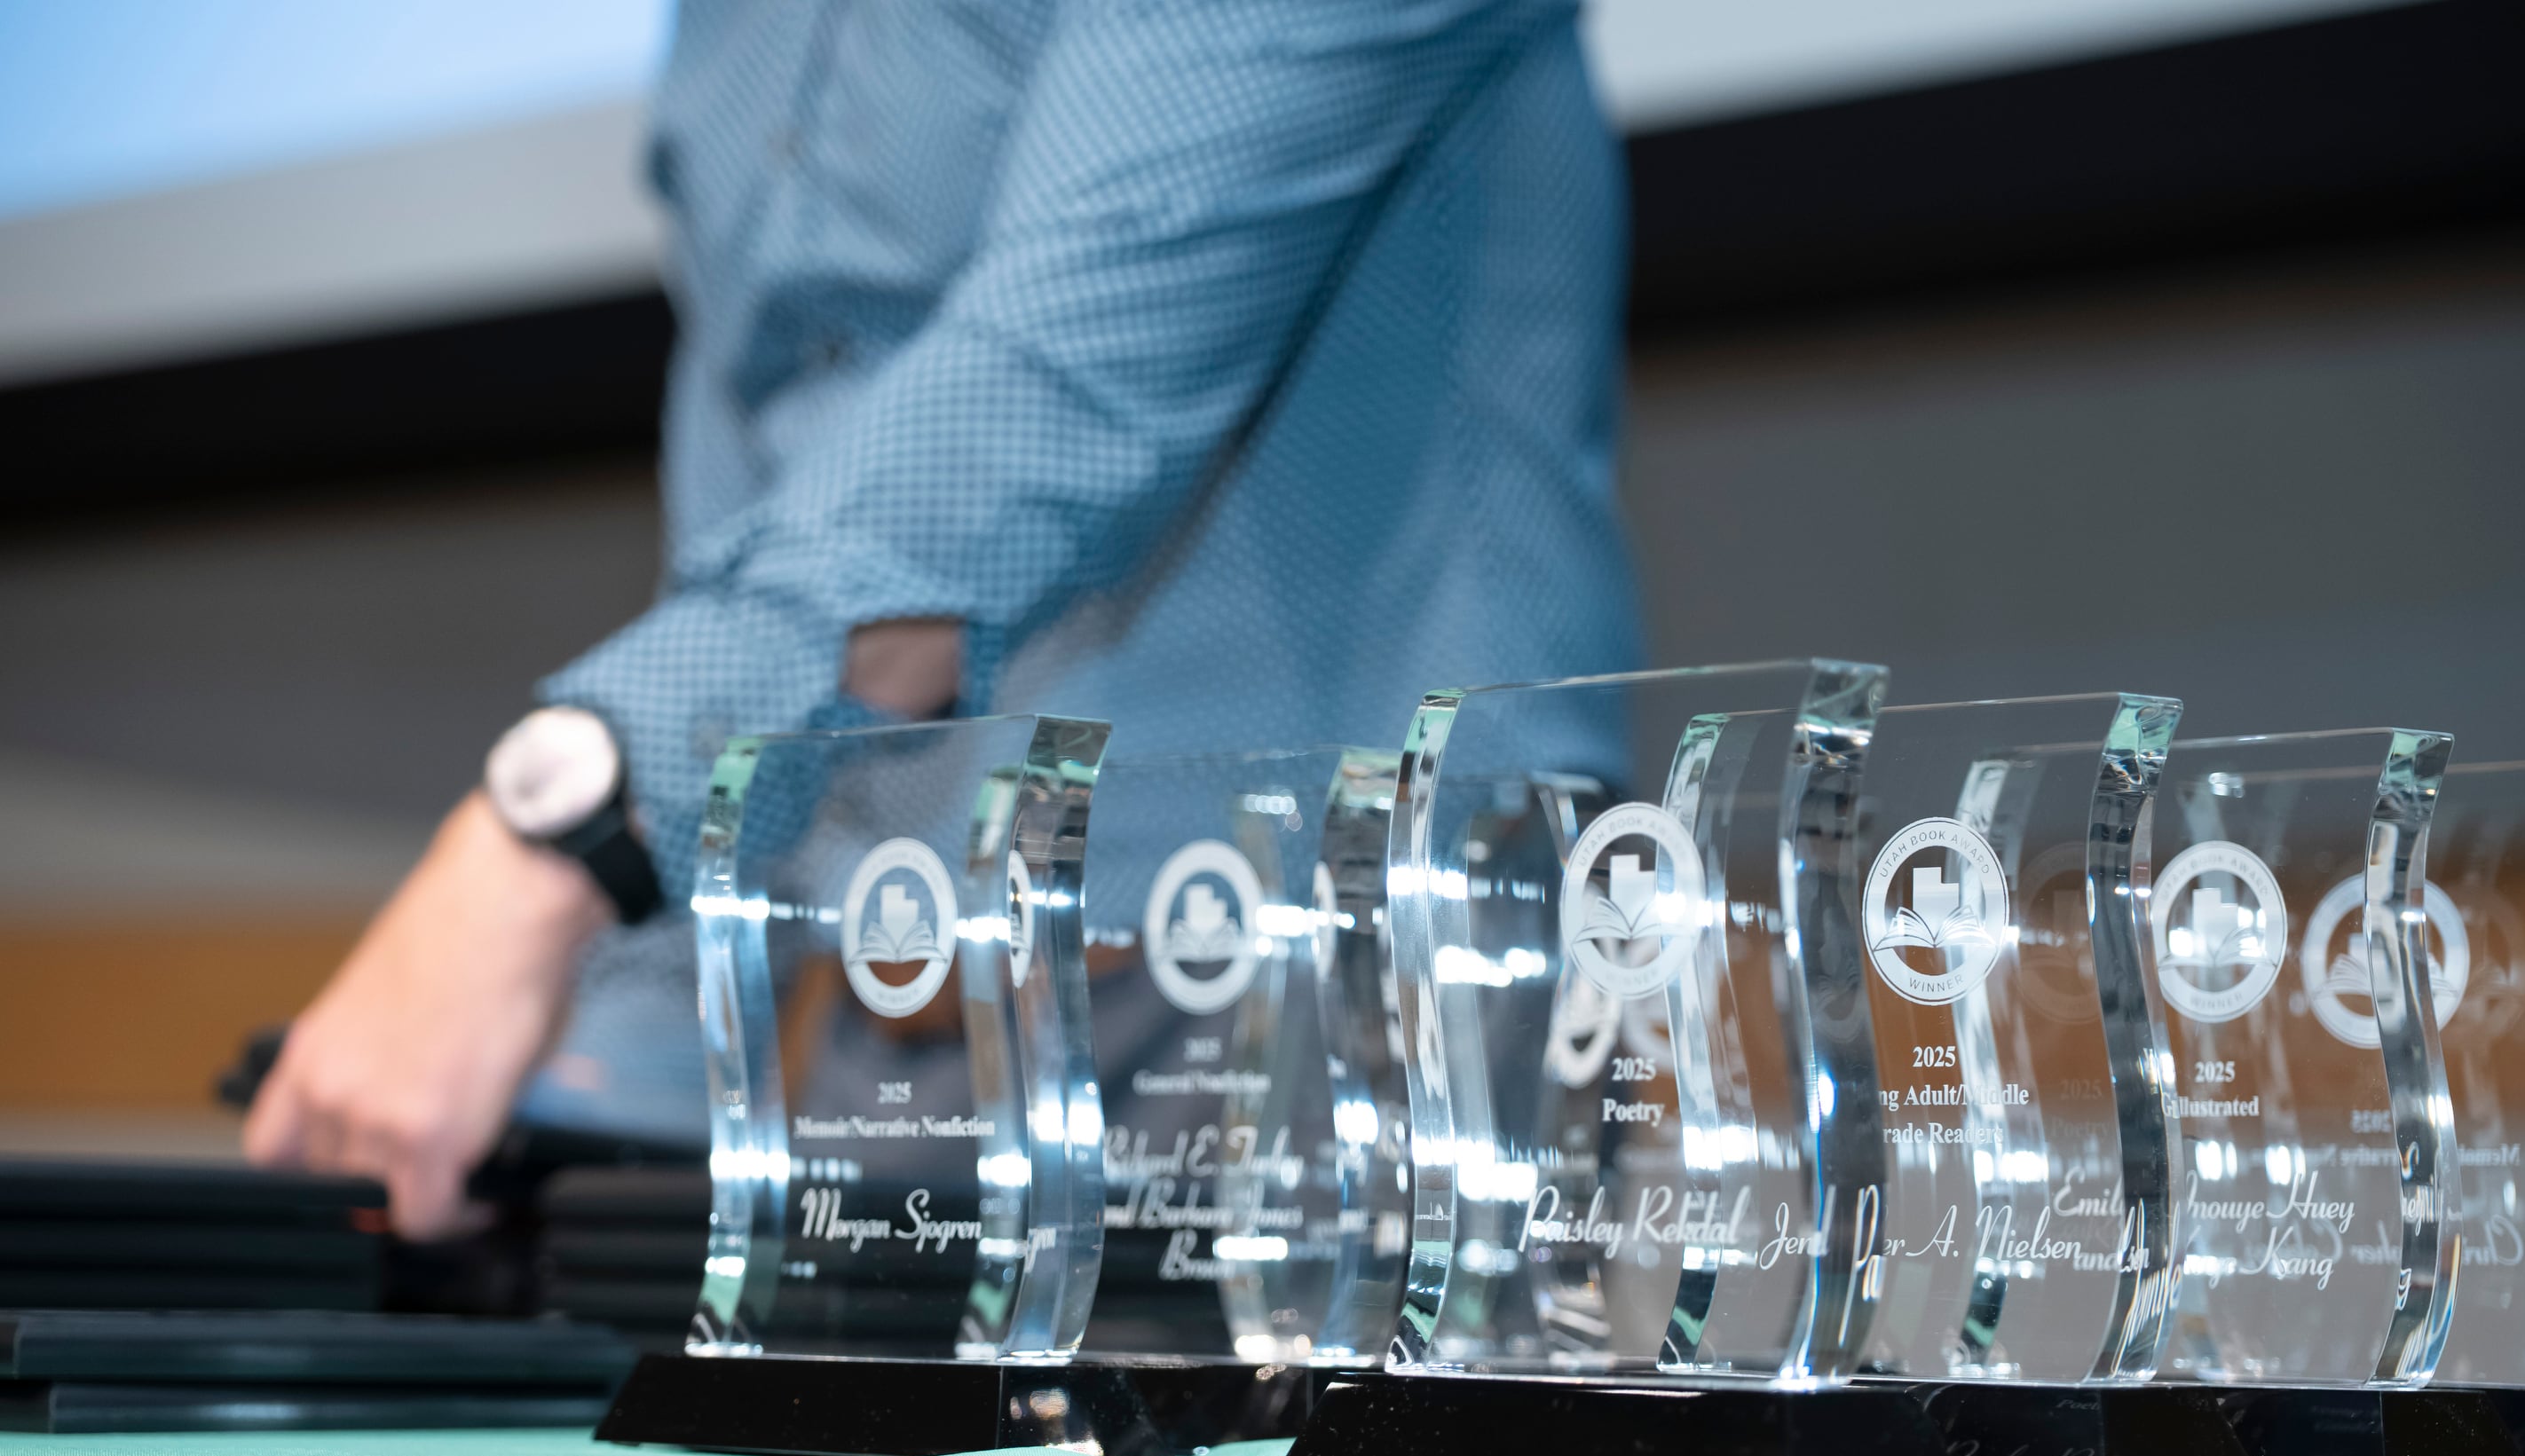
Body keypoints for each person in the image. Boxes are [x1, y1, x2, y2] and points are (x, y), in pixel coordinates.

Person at [245, 0, 1640, 1239]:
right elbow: (776, 453)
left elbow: (1054, 394)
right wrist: (630, 1025)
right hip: (913, 1008)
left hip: (1346, 994)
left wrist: (555, 847)